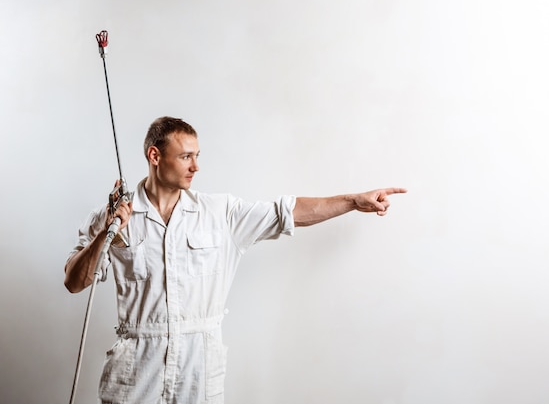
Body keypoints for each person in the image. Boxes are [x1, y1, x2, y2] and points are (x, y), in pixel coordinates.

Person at [65, 116, 406, 404]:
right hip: (137, 371)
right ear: (155, 156)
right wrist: (107, 231)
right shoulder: (114, 215)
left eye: (197, 156)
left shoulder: (220, 213)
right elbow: (74, 281)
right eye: (186, 157)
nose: (196, 166)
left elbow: (287, 212)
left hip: (197, 371)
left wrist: (353, 201)